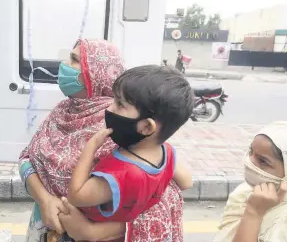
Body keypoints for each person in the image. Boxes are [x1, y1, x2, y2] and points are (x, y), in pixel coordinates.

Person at [19, 39, 189, 242]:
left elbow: (162, 197)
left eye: (74, 60)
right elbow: (27, 158)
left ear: (95, 72)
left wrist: (93, 232)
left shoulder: (122, 129)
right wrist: (44, 199)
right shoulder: (62, 111)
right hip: (46, 228)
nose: (65, 64)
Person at [67, 66, 194, 224]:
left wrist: (91, 146)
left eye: (120, 104)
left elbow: (76, 196)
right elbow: (187, 182)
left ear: (147, 127)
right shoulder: (166, 152)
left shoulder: (119, 175)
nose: (109, 108)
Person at [214, 121, 287, 242]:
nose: (249, 161)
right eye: (251, 152)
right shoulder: (243, 194)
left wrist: (253, 213)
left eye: (263, 161)